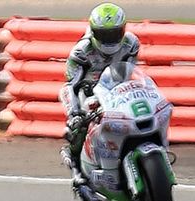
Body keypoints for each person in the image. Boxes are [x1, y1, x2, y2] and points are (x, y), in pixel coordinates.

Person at [58, 2, 139, 184]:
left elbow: (132, 72)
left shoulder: (131, 44)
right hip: (89, 91)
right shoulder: (81, 51)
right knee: (80, 122)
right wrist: (74, 113)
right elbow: (70, 85)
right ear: (94, 32)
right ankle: (76, 164)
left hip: (118, 88)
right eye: (104, 35)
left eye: (114, 33)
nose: (110, 40)